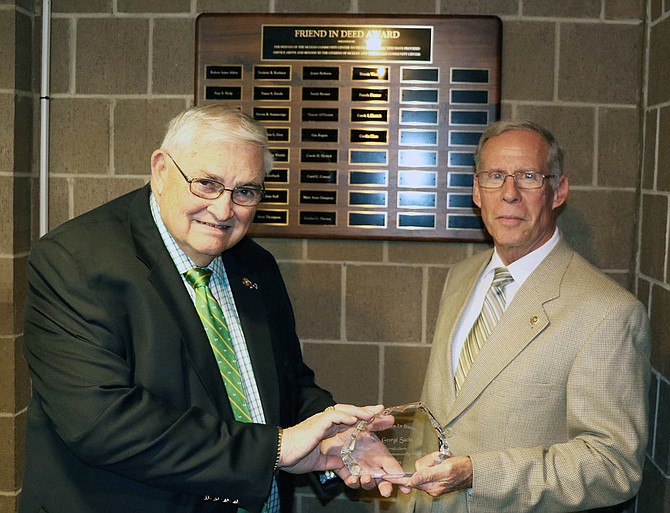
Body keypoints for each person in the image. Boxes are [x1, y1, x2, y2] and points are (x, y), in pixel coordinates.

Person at [20, 104, 394, 513]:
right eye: (207, 184)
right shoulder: (74, 262)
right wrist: (275, 449)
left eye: (245, 191)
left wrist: (340, 438)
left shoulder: (255, 265)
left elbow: (287, 385)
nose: (223, 210)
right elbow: (102, 424)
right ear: (161, 170)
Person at [391, 120, 651, 512]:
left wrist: (478, 473)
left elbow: (613, 466)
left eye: (528, 177)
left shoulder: (608, 313)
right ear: (477, 191)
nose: (509, 194)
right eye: (495, 176)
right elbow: (442, 415)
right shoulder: (461, 278)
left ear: (558, 190)